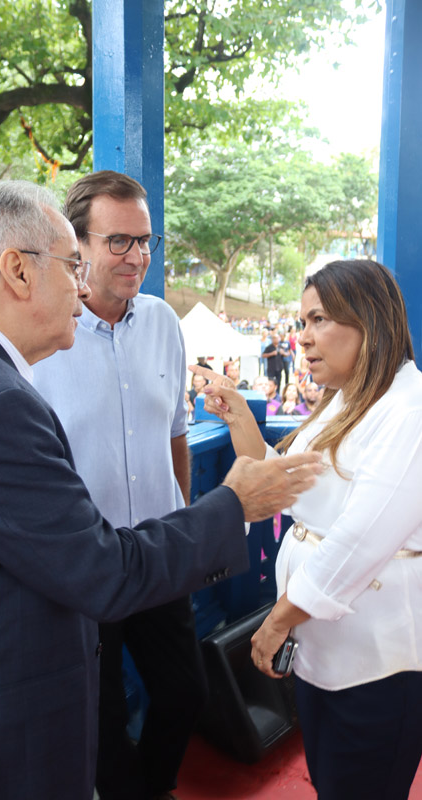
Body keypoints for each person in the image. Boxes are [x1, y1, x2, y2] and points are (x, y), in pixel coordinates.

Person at [0, 180, 322, 800]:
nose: (81, 284)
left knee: (179, 693)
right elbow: (101, 570)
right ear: (17, 270)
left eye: (143, 241)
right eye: (73, 263)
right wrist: (235, 502)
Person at [193, 258, 422, 800]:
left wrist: (276, 622)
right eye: (301, 324)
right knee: (331, 778)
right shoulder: (347, 400)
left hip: (377, 659)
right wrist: (239, 419)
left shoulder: (408, 409)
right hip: (322, 647)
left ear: (369, 321)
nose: (303, 339)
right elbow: (284, 485)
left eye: (318, 320)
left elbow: (360, 541)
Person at [33, 170, 206, 800]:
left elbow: (177, 434)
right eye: (119, 242)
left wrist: (184, 520)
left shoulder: (164, 322)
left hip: (160, 555)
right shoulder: (45, 337)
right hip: (85, 568)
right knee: (99, 720)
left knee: (187, 692)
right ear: (77, 245)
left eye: (145, 241)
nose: (136, 257)